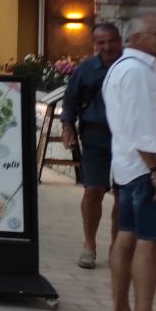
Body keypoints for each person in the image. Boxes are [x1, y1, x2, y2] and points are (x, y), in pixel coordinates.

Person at [104, 14, 156, 311]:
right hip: (147, 169)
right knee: (151, 242)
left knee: (127, 237)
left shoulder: (130, 69)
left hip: (131, 168)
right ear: (136, 38)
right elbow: (140, 125)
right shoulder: (135, 72)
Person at [60, 22, 123, 270]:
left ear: (119, 40)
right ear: (94, 44)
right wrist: (67, 128)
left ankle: (118, 246)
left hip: (126, 139)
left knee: (123, 193)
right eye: (101, 42)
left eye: (111, 41)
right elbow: (71, 100)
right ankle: (89, 244)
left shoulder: (130, 66)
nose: (107, 47)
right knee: (93, 190)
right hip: (95, 135)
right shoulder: (86, 69)